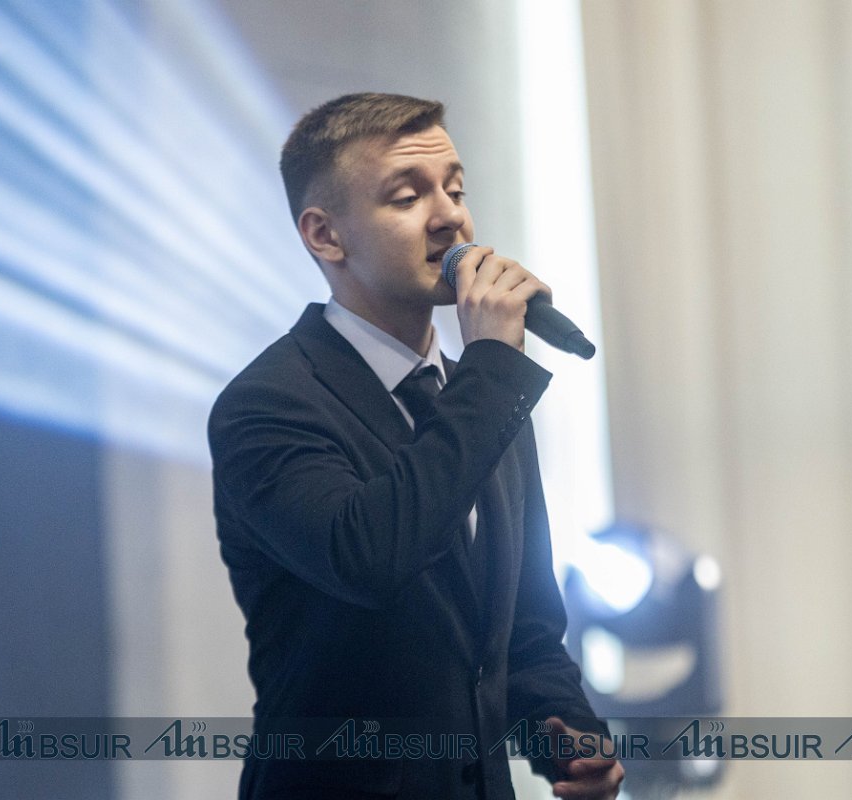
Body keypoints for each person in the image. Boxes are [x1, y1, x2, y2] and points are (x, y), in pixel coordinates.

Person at [208, 92, 624, 799]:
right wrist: (493, 373)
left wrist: (569, 734)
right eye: (408, 197)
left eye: (455, 190)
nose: (450, 217)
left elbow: (523, 629)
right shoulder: (268, 404)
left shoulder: (479, 395)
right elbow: (370, 556)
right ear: (325, 235)